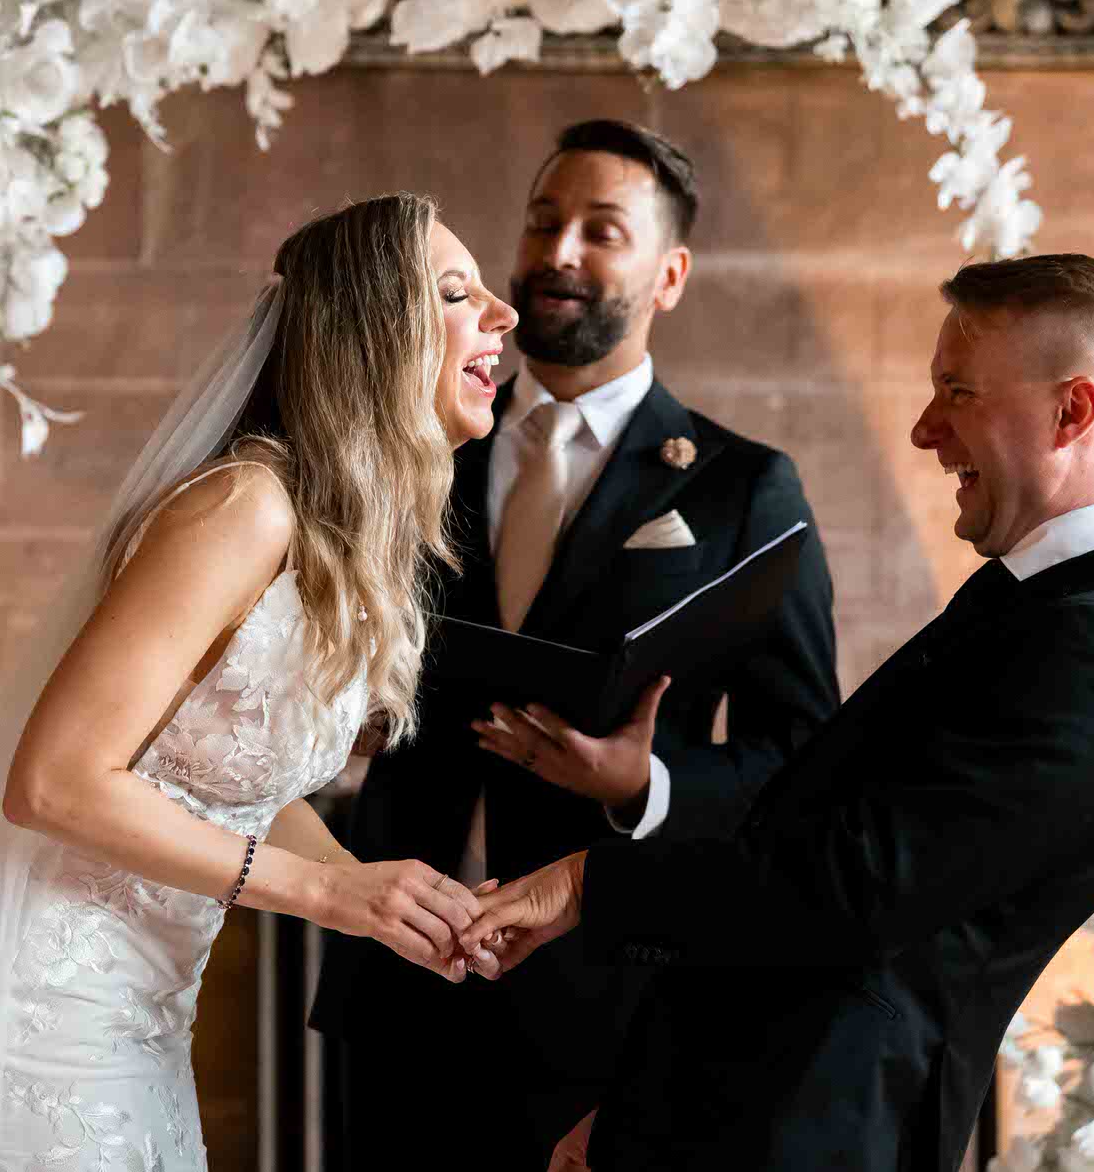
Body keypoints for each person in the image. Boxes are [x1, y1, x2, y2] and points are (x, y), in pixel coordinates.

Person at [464, 253, 1094, 1172]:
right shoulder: (1049, 611)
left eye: (956, 392)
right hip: (738, 1112)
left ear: (1072, 412)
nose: (925, 429)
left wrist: (586, 885)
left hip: (816, 1136)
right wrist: (639, 1113)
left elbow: (850, 893)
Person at [0, 194, 518, 1170]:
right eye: (455, 293)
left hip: (144, 1018)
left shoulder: (330, 542)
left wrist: (373, 891)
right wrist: (324, 893)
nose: (503, 313)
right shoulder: (242, 507)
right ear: (372, 333)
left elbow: (229, 781)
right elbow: (53, 781)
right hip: (50, 1011)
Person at [310, 121, 842, 1170]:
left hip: (603, 992)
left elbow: (800, 754)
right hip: (394, 961)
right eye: (544, 220)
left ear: (669, 273)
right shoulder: (412, 451)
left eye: (602, 230)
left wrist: (644, 781)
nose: (558, 252)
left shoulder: (738, 486)